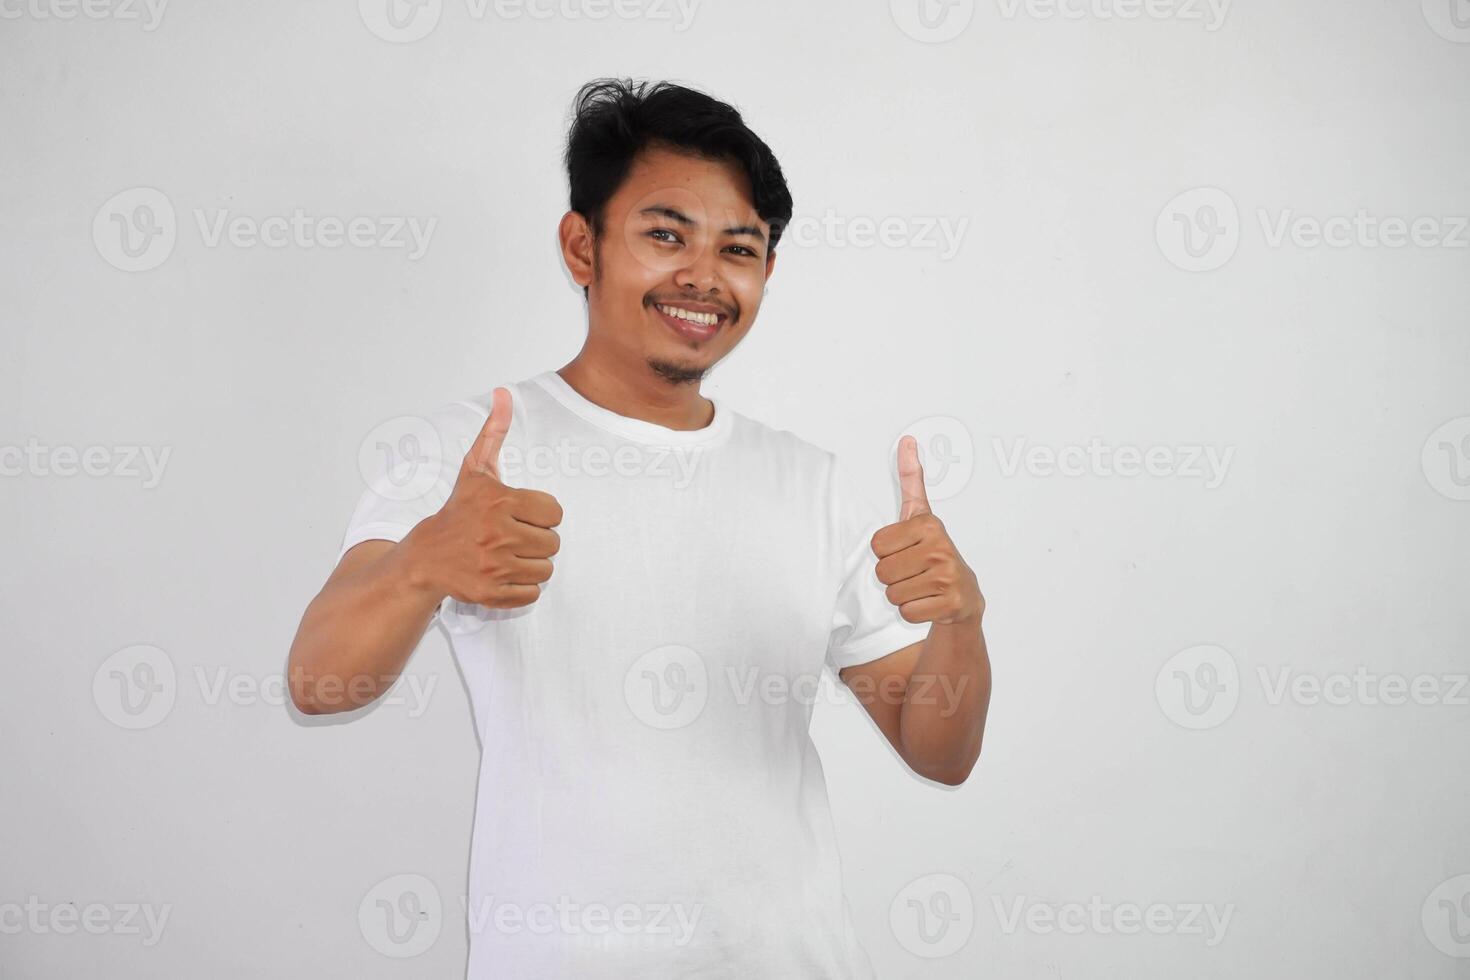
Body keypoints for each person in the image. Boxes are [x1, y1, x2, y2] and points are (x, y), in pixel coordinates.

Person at [287, 77, 992, 979]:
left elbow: (940, 751)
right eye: (665, 234)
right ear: (583, 245)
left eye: (739, 248)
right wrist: (422, 564)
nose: (703, 277)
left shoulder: (807, 482)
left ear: (767, 272)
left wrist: (961, 626)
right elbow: (321, 683)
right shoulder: (469, 453)